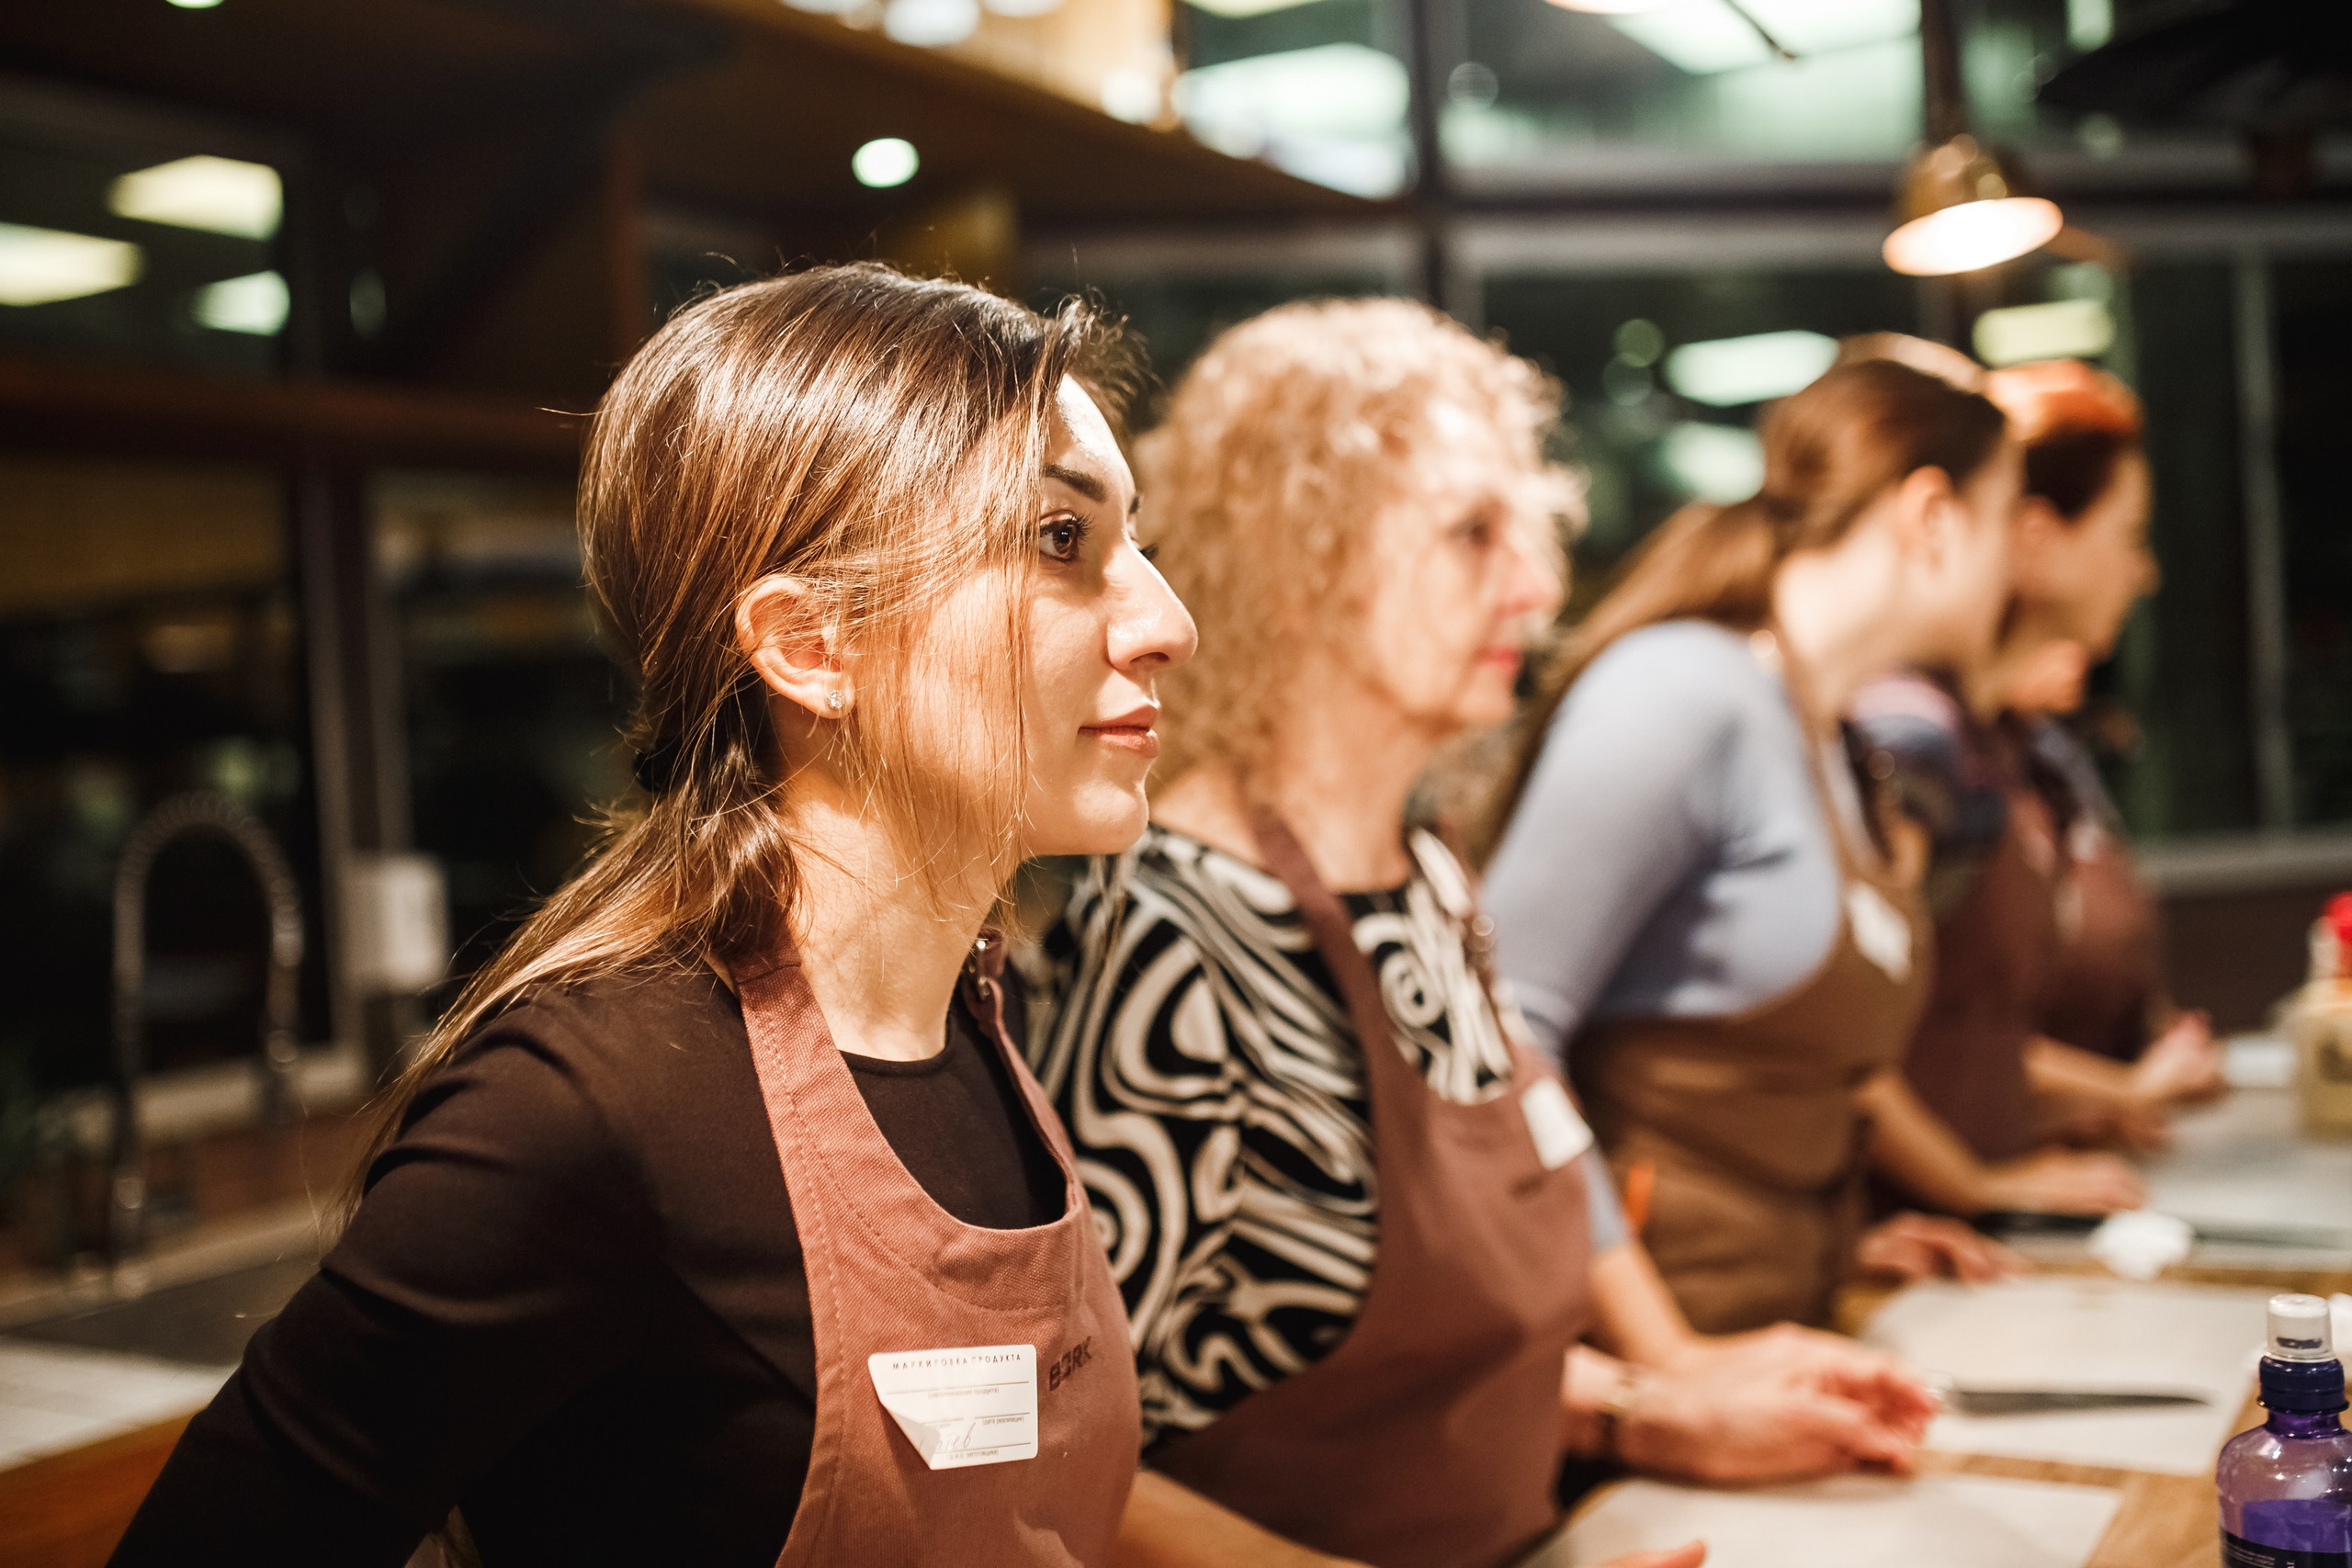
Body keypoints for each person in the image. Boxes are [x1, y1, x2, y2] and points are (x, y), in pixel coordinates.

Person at [111, 266, 1195, 1568]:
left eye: (1139, 544)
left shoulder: (967, 1010)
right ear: (812, 645)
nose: (1167, 622)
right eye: (1060, 541)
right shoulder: (596, 1102)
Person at [1032, 300, 1933, 1568]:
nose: (1540, 583)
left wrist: (1653, 1410)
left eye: (1532, 529)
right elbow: (1059, 1457)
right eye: (1472, 533)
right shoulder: (1176, 932)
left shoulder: (1427, 878)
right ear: (1305, 557)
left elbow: (1412, 1348)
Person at [1482, 356, 2082, 1336]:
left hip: (1785, 1328)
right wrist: (1669, 1364)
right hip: (1639, 1378)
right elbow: (1505, 1030)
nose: (2012, 575)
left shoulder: (1829, 730)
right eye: (2000, 521)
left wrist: (1832, 1242)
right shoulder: (1679, 692)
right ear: (1930, 518)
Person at [1850, 356, 2221, 1174]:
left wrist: (2081, 1107)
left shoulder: (1995, 740)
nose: (2144, 571)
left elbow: (1973, 1034)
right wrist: (1973, 1184)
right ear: (2033, 539)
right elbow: (1849, 1034)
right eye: (2127, 535)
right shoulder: (1911, 734)